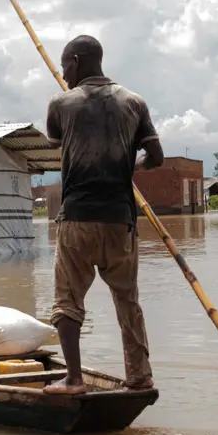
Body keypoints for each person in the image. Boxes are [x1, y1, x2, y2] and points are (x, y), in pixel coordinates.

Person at [43, 34, 164, 395]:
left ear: (76, 61)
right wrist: (130, 166)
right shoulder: (134, 102)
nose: (64, 75)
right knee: (128, 300)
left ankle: (73, 379)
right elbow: (156, 158)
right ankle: (140, 376)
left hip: (77, 217)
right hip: (120, 219)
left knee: (67, 300)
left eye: (65, 67)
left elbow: (57, 142)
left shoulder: (61, 104)